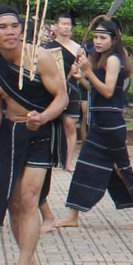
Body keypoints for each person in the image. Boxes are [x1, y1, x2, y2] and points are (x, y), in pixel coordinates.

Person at [0, 6, 67, 265]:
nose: (10, 31)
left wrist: (43, 117)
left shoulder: (39, 58)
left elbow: (61, 96)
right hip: (10, 134)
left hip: (40, 133)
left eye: (14, 26)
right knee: (12, 200)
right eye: (2, 27)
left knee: (28, 198)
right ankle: (28, 259)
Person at [53, 19, 133, 233]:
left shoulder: (114, 60)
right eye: (96, 37)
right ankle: (73, 214)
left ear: (113, 40)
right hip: (98, 124)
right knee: (84, 167)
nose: (97, 42)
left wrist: (87, 71)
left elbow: (108, 92)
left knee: (123, 168)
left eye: (103, 38)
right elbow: (94, 90)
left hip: (112, 124)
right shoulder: (99, 60)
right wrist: (82, 77)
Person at [44, 12, 86, 169]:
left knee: (69, 123)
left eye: (69, 25)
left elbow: (84, 73)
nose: (66, 27)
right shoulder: (47, 48)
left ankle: (68, 161)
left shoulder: (78, 49)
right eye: (63, 24)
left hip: (72, 89)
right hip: (52, 90)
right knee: (51, 123)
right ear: (55, 26)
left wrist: (78, 72)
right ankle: (50, 158)